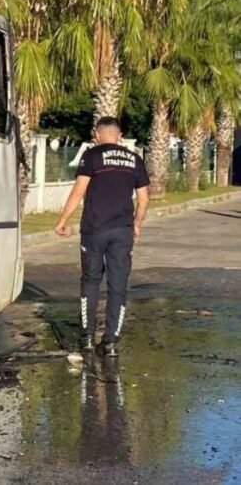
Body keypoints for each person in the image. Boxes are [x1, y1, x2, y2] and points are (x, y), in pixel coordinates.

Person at [54, 117, 150, 358]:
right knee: (118, 284)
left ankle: (87, 337)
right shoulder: (134, 159)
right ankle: (111, 342)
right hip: (122, 230)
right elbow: (144, 199)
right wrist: (136, 224)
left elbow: (79, 190)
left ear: (97, 134)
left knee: (91, 280)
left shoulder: (92, 156)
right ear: (120, 135)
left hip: (94, 229)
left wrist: (63, 220)